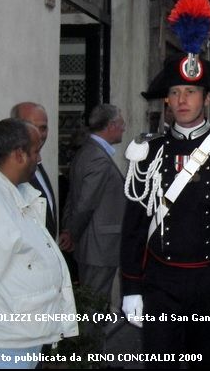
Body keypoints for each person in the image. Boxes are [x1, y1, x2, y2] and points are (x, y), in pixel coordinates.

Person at [119, 0, 210, 367]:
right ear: (166, 100)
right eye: (176, 93)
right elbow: (134, 226)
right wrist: (131, 285)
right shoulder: (147, 152)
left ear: (207, 99)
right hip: (160, 284)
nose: (183, 100)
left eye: (191, 92)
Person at [0, 119, 78, 368]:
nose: (39, 159)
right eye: (36, 151)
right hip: (3, 343)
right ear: (18, 155)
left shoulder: (15, 192)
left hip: (22, 337)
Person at [59, 104, 127, 308]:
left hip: (93, 243)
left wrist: (68, 228)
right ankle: (93, 341)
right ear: (111, 125)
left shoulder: (88, 151)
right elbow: (84, 203)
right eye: (122, 123)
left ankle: (94, 339)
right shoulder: (98, 157)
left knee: (93, 302)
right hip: (98, 246)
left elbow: (74, 196)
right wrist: (72, 233)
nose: (124, 128)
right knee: (94, 305)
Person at [11, 102, 58, 239]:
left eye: (43, 128)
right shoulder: (3, 170)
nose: (38, 133)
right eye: (30, 127)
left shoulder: (37, 163)